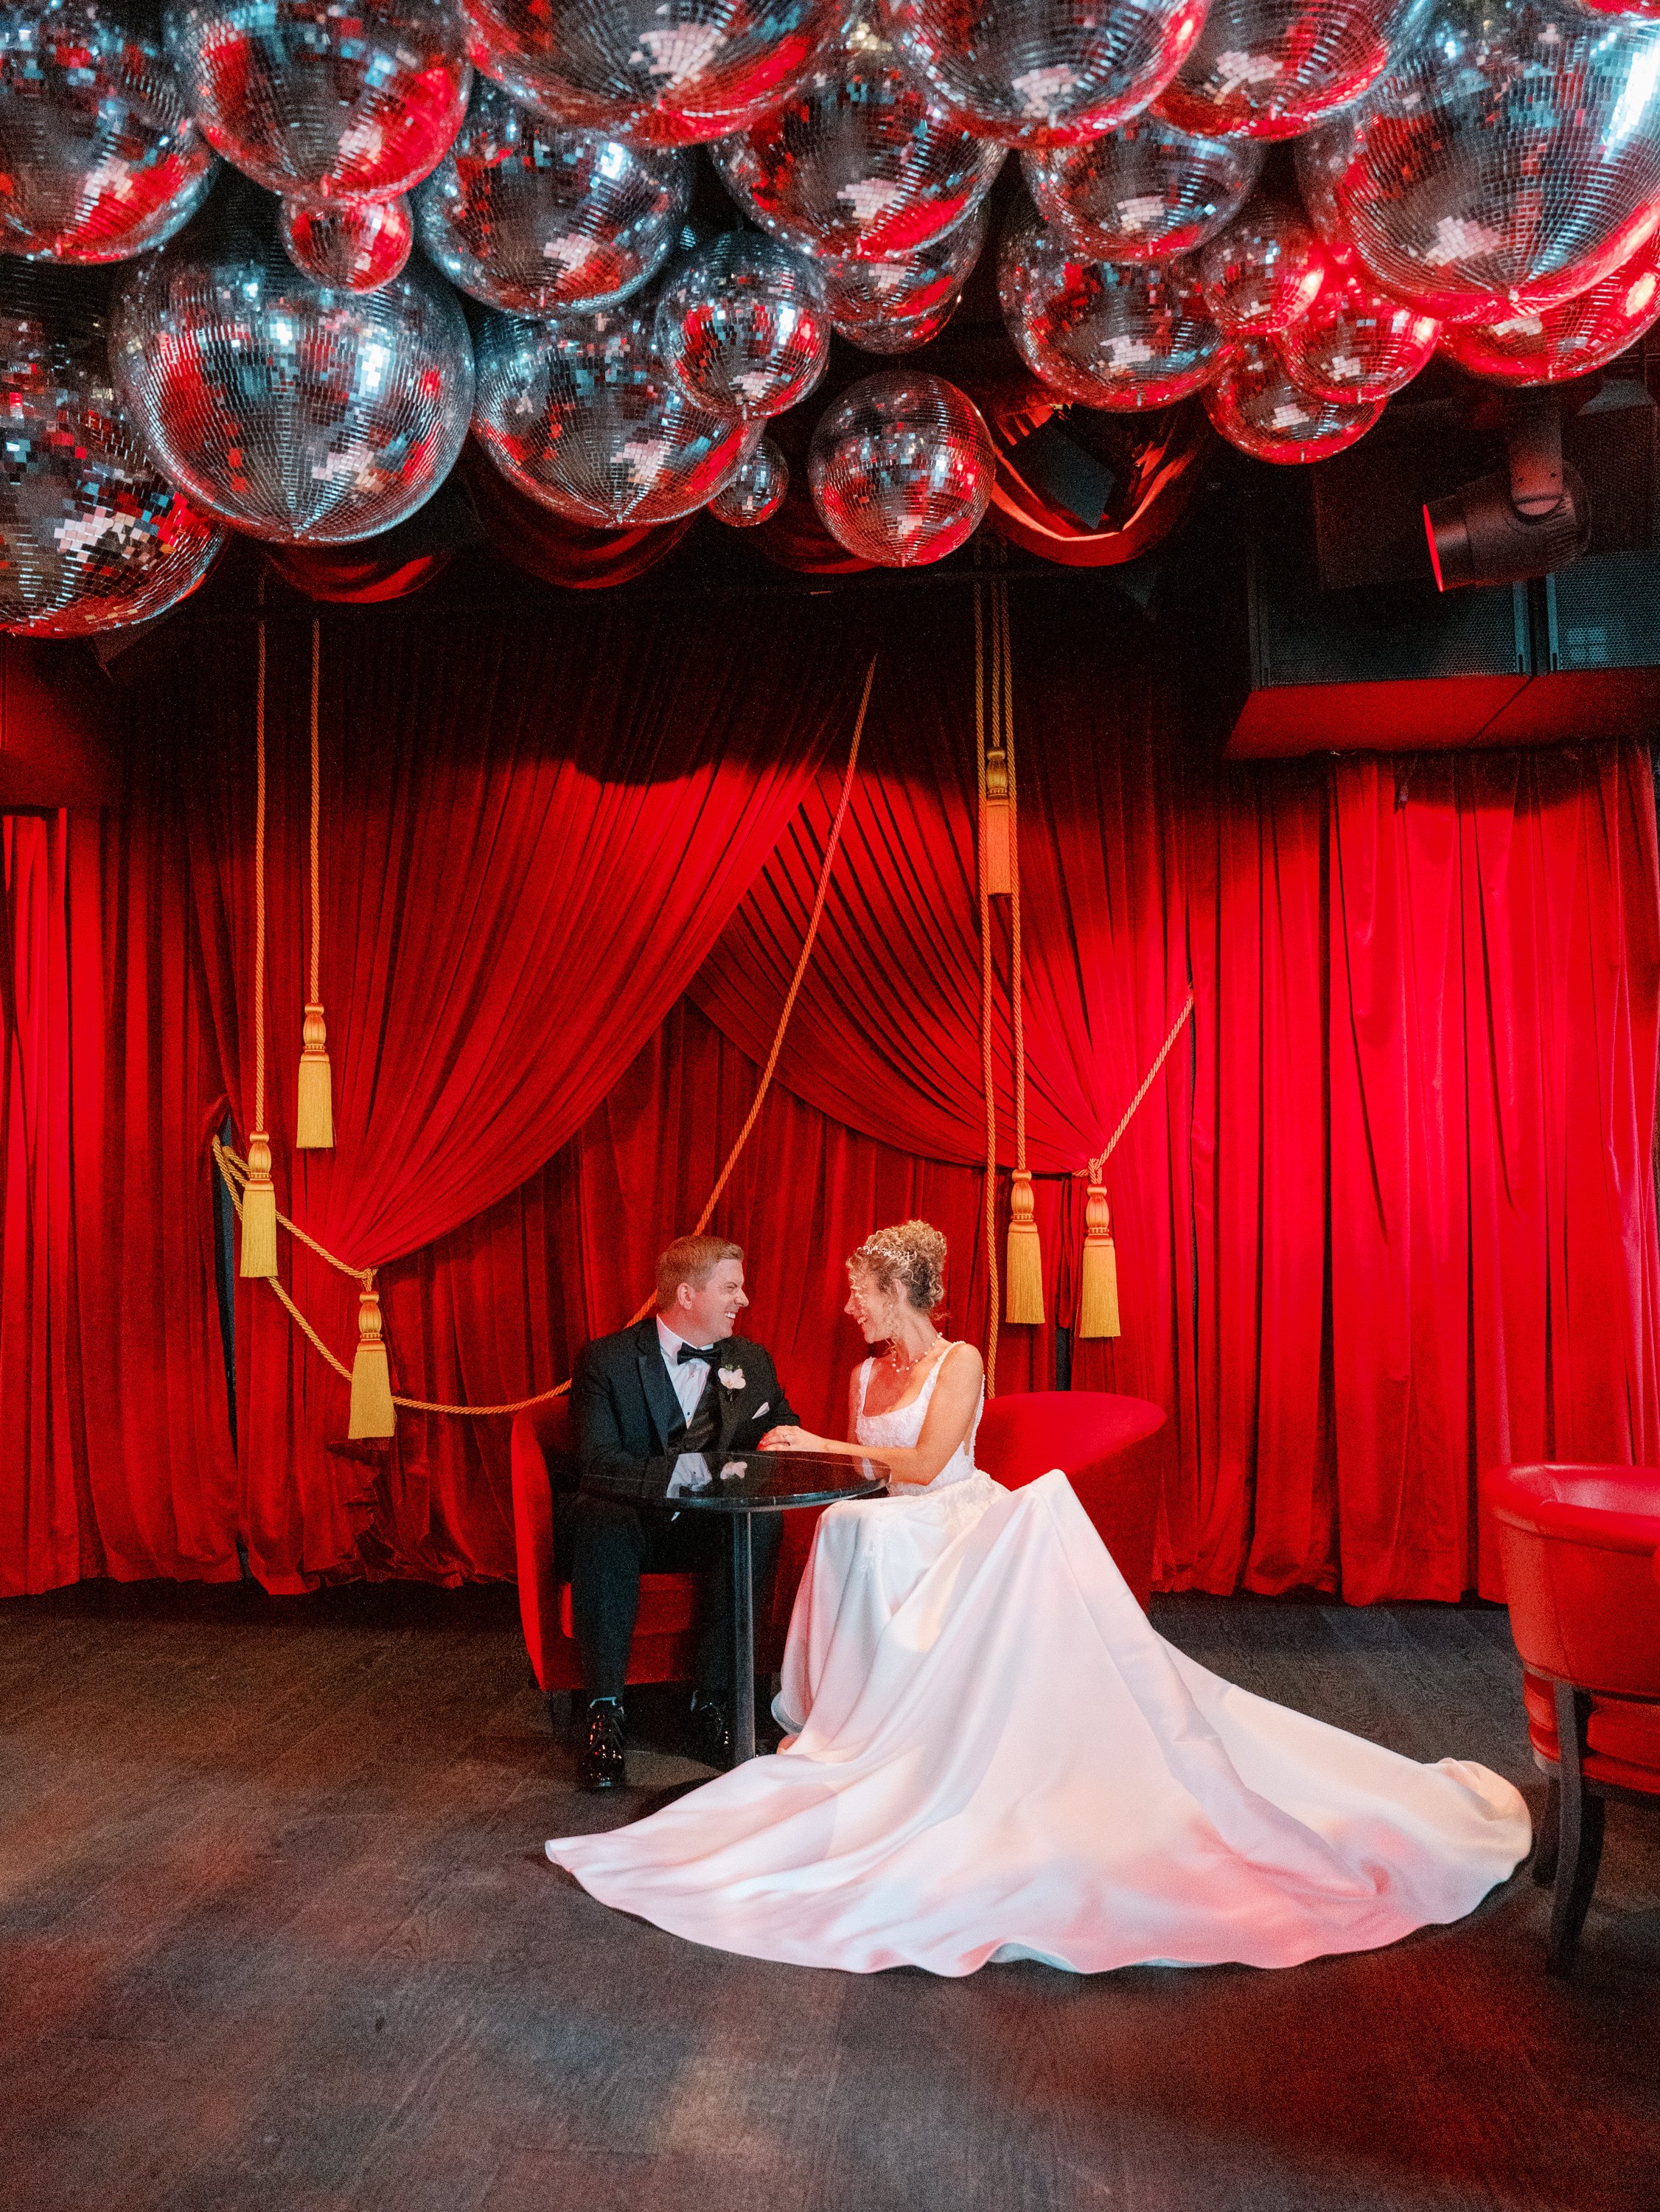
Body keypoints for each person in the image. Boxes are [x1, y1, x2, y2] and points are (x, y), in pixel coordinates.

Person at [546, 1220, 1531, 1976]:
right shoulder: (817, 1368)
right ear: (688, 1293)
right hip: (684, 1511)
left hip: (948, 1515)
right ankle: (699, 1713)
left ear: (896, 1291)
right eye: (733, 1289)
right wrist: (813, 1457)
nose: (840, 1307)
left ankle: (808, 1715)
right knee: (839, 1530)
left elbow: (919, 1465)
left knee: (829, 1531)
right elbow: (647, 1462)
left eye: (858, 1292)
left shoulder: (954, 1360)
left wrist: (819, 1449)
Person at [564, 1235, 799, 1791]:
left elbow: (780, 1429)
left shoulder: (750, 1360)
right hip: (631, 1523)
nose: (743, 1298)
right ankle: (604, 1714)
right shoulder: (607, 1360)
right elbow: (597, 1464)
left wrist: (777, 1443)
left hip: (707, 1528)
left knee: (760, 1521)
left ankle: (713, 1703)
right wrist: (690, 1477)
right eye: (731, 1287)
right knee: (600, 1516)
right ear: (688, 1294)